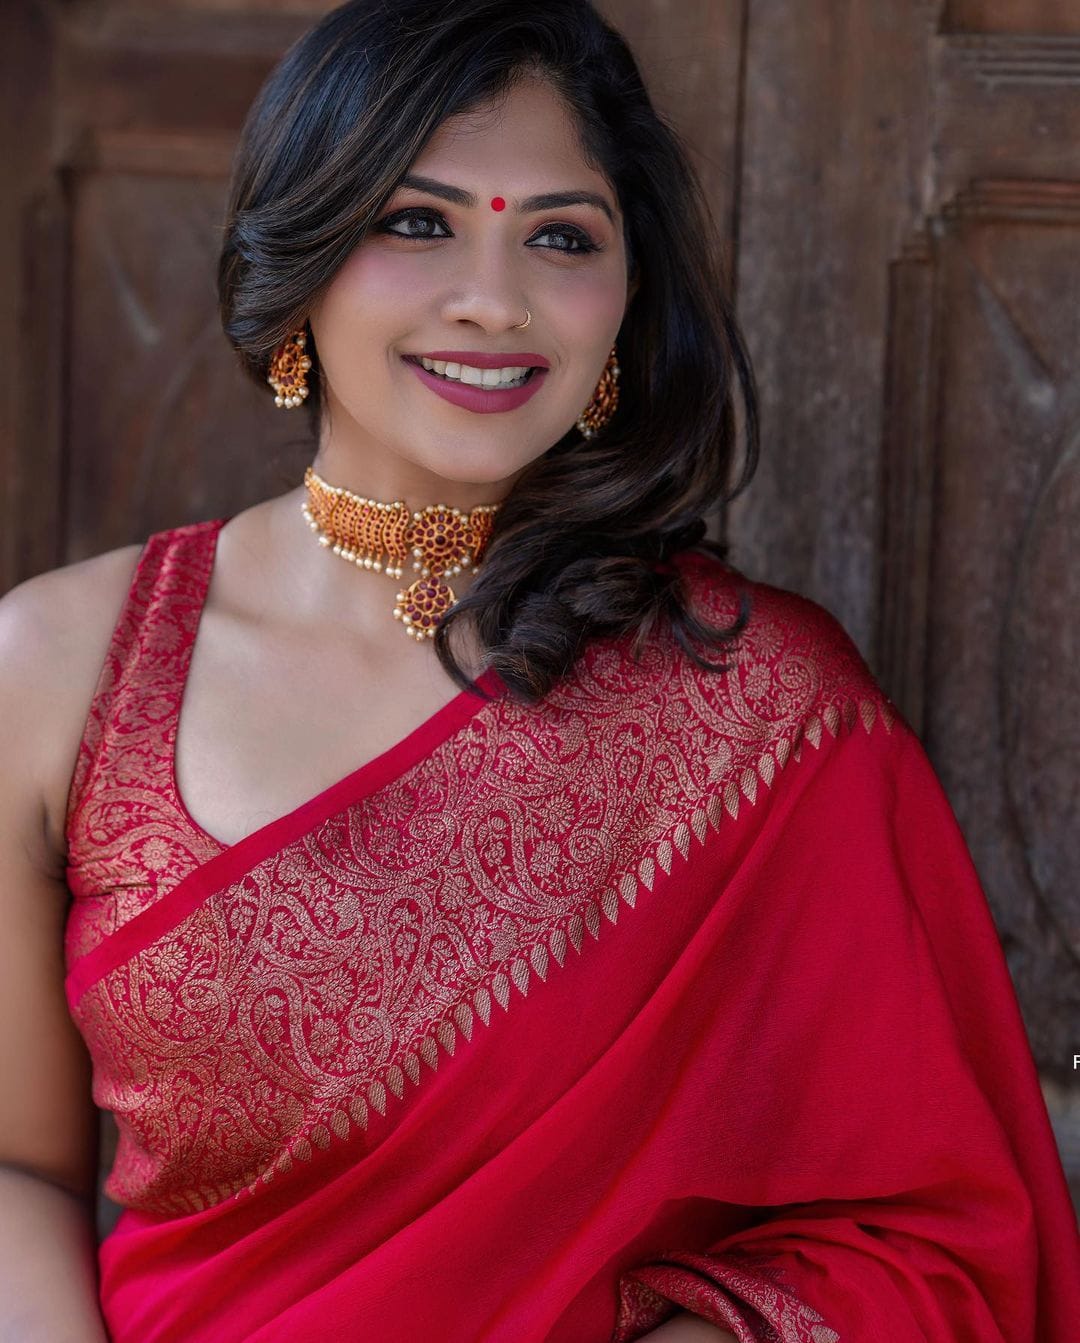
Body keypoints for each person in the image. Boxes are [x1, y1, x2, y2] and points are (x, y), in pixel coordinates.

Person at [2, 0, 1078, 1338]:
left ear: (626, 304)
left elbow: (941, 1239)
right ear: (302, 260)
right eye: (418, 221)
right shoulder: (58, 674)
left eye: (561, 236)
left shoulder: (759, 709)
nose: (494, 300)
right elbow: (17, 1167)